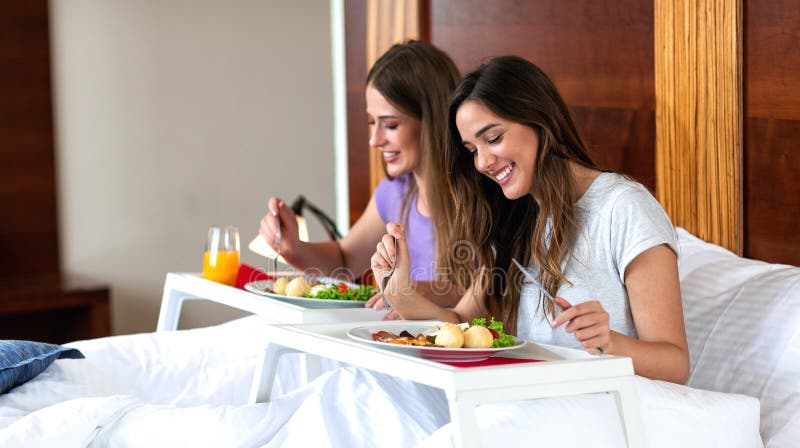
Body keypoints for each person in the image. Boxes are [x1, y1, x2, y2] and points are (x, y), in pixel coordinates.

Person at [372, 56, 690, 384]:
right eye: (471, 149)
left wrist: (610, 341)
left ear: (539, 120)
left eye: (493, 138)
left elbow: (675, 364)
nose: (481, 162)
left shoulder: (623, 208)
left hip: (602, 407)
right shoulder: (514, 219)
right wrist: (398, 292)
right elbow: (460, 325)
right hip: (525, 399)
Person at [259, 40, 461, 309]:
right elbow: (344, 260)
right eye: (371, 123)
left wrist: (432, 293)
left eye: (390, 125)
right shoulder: (395, 192)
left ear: (433, 120)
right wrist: (293, 247)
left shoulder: (481, 199)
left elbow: (503, 295)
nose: (374, 140)